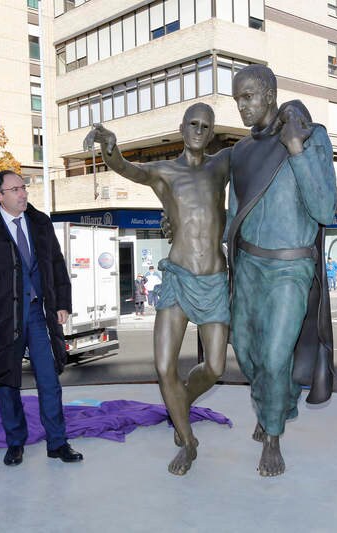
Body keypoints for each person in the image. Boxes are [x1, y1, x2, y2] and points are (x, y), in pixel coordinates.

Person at [87, 103, 231, 475]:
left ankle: (179, 400)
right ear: (181, 128)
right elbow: (127, 168)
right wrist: (110, 146)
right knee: (163, 365)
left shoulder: (222, 164)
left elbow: (261, 148)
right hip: (178, 277)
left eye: (205, 126)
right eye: (192, 124)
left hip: (214, 279)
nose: (198, 130)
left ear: (212, 132)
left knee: (215, 366)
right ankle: (187, 441)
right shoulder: (164, 171)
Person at [227, 65, 337, 476]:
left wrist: (296, 150)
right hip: (248, 265)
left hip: (290, 268)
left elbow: (325, 207)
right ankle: (280, 398)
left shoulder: (309, 135)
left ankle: (272, 435)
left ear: (270, 95)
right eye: (237, 98)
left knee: (275, 356)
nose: (242, 106)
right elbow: (233, 213)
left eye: (249, 97)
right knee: (244, 349)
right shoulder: (241, 150)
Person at [0, 170, 83, 467]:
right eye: (14, 189)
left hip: (39, 316)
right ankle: (15, 443)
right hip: (2, 320)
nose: (23, 194)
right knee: (7, 383)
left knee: (50, 380)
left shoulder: (40, 222)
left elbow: (56, 263)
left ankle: (58, 442)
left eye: (23, 187)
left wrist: (62, 302)